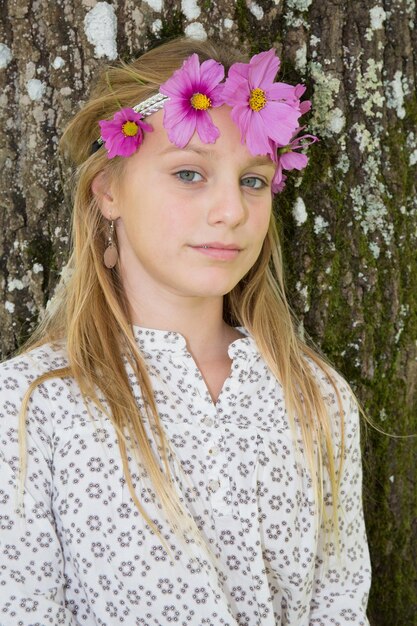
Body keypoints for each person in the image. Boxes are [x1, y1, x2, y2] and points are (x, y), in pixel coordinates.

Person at [0, 37, 371, 625]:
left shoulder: (317, 397)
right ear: (109, 190)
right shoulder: (34, 406)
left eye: (253, 181)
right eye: (190, 173)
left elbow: (339, 607)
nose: (230, 210)